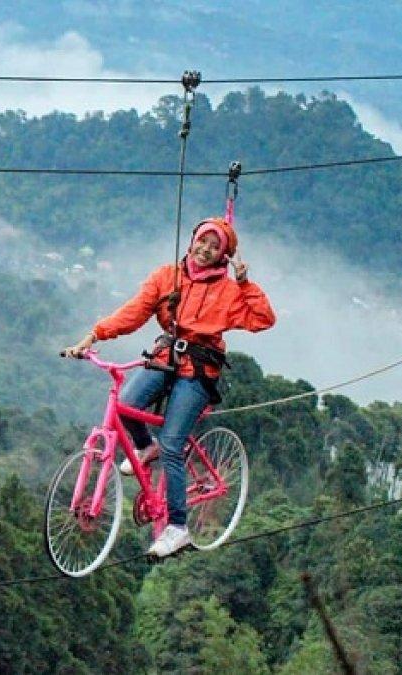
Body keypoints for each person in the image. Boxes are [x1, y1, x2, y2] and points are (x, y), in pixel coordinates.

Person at [62, 216, 276, 558]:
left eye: (214, 246)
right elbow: (134, 312)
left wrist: (246, 282)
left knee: (174, 444)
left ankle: (178, 528)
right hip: (166, 356)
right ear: (192, 241)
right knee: (127, 403)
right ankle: (147, 449)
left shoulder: (228, 291)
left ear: (224, 254)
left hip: (199, 369)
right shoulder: (167, 277)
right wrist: (94, 335)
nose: (205, 250)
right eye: (202, 241)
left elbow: (263, 319)